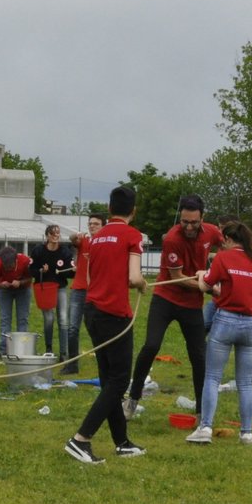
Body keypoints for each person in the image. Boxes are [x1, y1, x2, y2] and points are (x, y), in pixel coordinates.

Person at [64, 185, 147, 464]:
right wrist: (142, 283)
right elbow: (135, 278)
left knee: (109, 379)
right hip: (115, 315)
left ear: (109, 209)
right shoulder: (132, 236)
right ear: (133, 212)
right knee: (120, 380)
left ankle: (121, 442)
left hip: (92, 311)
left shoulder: (96, 238)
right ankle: (81, 439)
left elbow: (91, 273)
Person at [127, 195, 214, 419]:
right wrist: (209, 287)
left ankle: (202, 410)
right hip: (166, 299)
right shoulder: (172, 239)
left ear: (202, 218)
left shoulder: (212, 232)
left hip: (192, 305)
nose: (189, 226)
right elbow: (179, 278)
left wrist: (222, 267)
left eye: (194, 222)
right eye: (184, 221)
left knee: (199, 355)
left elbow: (230, 245)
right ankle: (132, 400)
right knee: (151, 346)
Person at [193, 220, 252, 445]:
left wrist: (200, 275)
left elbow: (206, 286)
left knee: (213, 377)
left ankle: (205, 427)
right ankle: (247, 433)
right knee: (245, 382)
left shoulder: (223, 258)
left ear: (227, 239)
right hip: (250, 325)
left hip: (226, 320)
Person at [60, 214, 103, 374]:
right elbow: (72, 239)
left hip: (97, 290)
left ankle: (103, 362)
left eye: (96, 224)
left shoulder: (105, 244)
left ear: (102, 226)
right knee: (72, 328)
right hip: (79, 289)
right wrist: (75, 235)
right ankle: (72, 364)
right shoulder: (84, 241)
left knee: (97, 328)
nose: (92, 226)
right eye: (90, 224)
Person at [30, 225, 73, 356]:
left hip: (60, 288)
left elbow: (70, 274)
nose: (56, 236)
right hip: (44, 288)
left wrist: (73, 271)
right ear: (47, 235)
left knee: (63, 319)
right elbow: (31, 270)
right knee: (49, 319)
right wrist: (41, 271)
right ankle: (49, 349)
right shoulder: (38, 250)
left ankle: (64, 353)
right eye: (53, 234)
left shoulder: (65, 252)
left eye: (58, 234)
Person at [0, 244, 32, 357]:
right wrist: (1, 284)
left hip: (23, 291)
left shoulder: (25, 261)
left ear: (16, 260)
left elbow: (30, 278)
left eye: (11, 266)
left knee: (22, 319)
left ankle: (22, 349)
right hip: (5, 291)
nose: (8, 268)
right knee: (5, 319)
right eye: (6, 266)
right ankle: (4, 349)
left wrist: (20, 282)